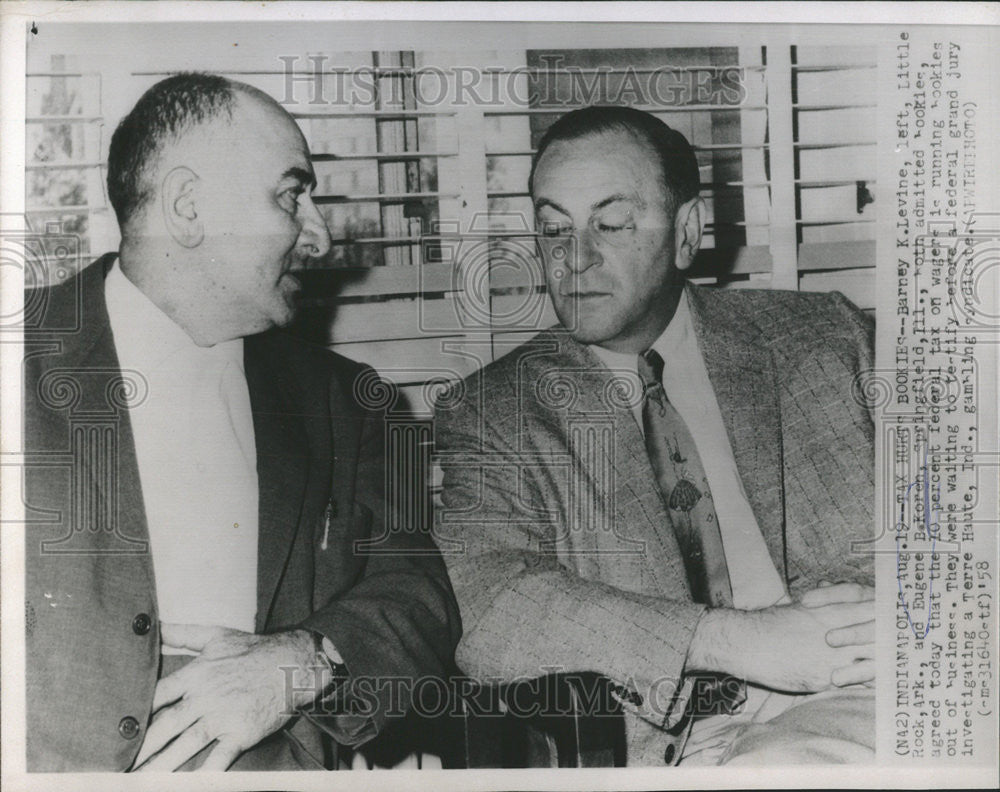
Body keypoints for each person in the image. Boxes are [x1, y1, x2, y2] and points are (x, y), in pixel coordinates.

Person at [24, 72, 460, 772]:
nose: (317, 235)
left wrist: (304, 660)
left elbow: (423, 596)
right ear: (189, 205)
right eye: (291, 195)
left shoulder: (355, 400)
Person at [433, 105, 875, 766]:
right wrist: (730, 641)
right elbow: (484, 601)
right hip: (661, 739)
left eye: (610, 222)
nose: (573, 258)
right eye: (553, 227)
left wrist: (898, 600)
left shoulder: (819, 336)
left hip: (855, 690)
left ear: (687, 230)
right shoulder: (495, 409)